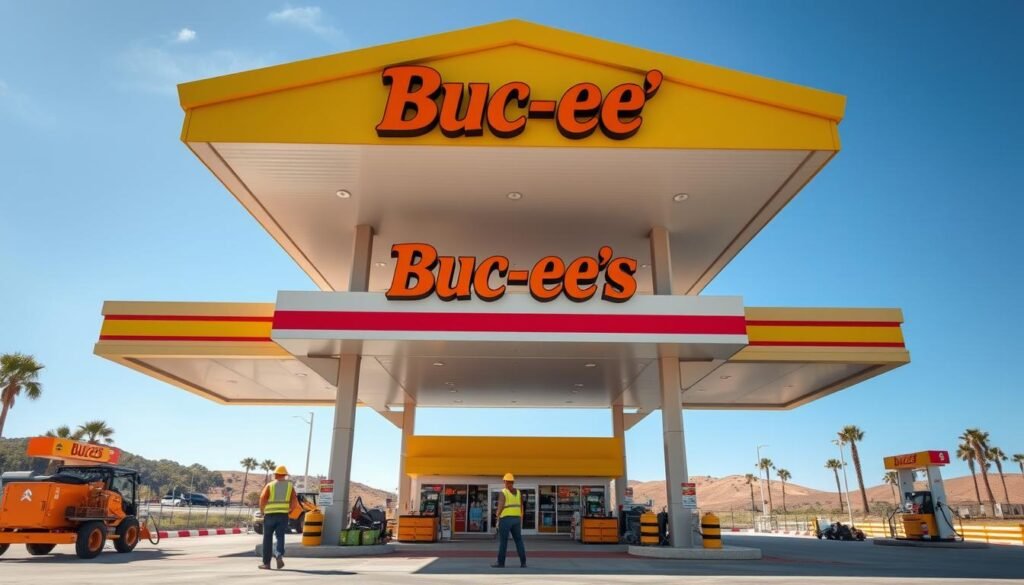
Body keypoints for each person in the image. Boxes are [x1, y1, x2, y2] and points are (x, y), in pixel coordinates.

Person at [258, 465, 300, 570]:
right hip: (283, 515)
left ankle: (266, 564)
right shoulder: (290, 486)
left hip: (270, 515)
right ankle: (278, 554)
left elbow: (262, 499)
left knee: (267, 538)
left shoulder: (270, 485)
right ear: (285, 475)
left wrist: (262, 511)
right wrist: (290, 510)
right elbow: (295, 501)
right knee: (280, 536)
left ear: (276, 474)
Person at [491, 472, 527, 568]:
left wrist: (497, 515)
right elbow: (521, 506)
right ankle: (523, 562)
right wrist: (520, 517)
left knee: (503, 542)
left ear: (505, 482)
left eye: (505, 481)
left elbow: (500, 506)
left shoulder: (504, 492)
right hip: (516, 519)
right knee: (519, 541)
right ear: (513, 482)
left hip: (506, 519)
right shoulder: (519, 492)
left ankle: (500, 563)